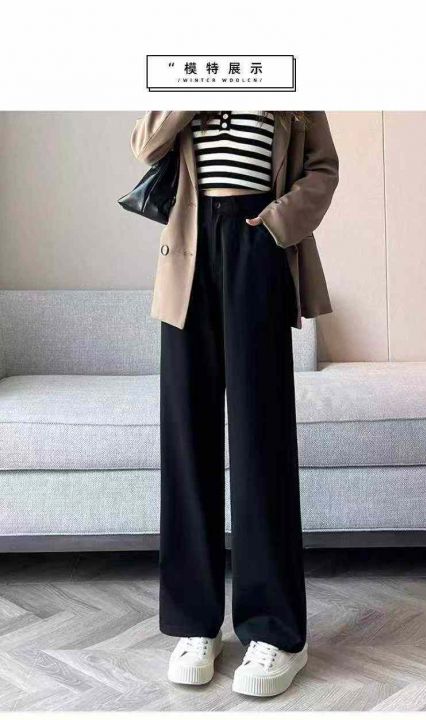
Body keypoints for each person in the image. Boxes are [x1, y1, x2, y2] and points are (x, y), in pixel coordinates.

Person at [130, 111, 339, 697]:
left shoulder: (289, 76)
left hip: (259, 244)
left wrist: (276, 225)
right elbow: (145, 144)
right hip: (188, 254)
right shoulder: (183, 71)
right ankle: (194, 625)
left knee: (260, 441)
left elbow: (323, 166)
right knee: (188, 439)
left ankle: (275, 633)